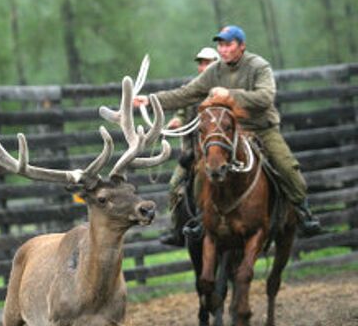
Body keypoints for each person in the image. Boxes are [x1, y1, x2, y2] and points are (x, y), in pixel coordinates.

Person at [134, 25, 322, 237]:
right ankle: (200, 218)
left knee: (287, 167)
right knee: (201, 170)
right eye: (220, 45)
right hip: (228, 132)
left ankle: (302, 212)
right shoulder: (214, 71)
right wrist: (150, 100)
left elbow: (265, 97)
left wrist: (229, 94)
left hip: (261, 129)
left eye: (228, 44)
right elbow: (186, 93)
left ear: (241, 46)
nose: (223, 49)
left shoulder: (259, 67)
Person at [159, 47, 220, 246]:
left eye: (207, 62)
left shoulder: (224, 90)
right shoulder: (191, 89)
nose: (203, 67)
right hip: (193, 153)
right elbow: (182, 113)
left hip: (219, 153)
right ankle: (176, 229)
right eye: (201, 63)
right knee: (174, 185)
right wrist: (177, 120)